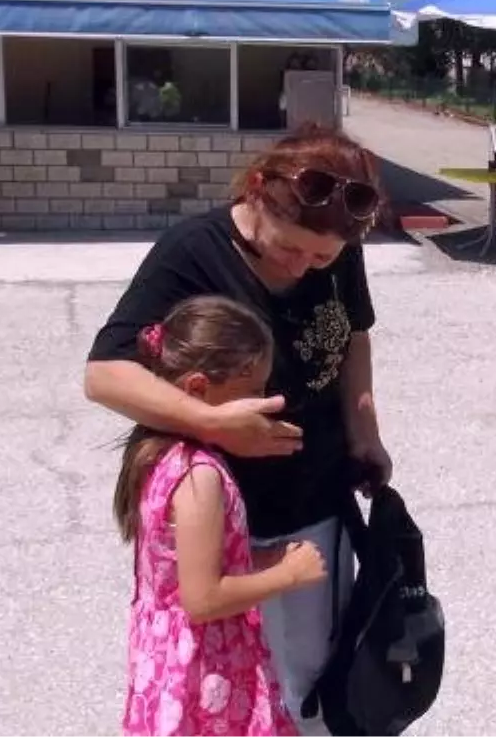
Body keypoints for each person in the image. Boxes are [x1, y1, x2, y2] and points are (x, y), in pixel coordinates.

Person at [85, 122, 394, 735]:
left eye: (321, 258)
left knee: (314, 683)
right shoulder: (192, 250)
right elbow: (103, 374)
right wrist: (212, 423)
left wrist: (364, 430)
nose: (304, 266)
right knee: (242, 688)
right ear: (256, 190)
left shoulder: (338, 238)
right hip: (230, 523)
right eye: (290, 248)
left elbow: (354, 334)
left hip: (318, 498)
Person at [116, 294, 327, 736]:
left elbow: (179, 572)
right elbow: (203, 598)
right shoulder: (199, 476)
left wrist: (260, 560)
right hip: (204, 673)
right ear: (197, 389)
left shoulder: (156, 452)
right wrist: (289, 574)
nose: (264, 403)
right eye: (253, 392)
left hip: (169, 661)